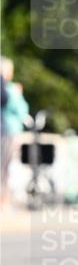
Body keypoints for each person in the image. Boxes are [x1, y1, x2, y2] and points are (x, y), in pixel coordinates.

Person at [0, 57, 29, 208]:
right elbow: (22, 111)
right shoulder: (10, 89)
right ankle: (4, 200)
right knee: (5, 167)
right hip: (9, 131)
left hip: (7, 131)